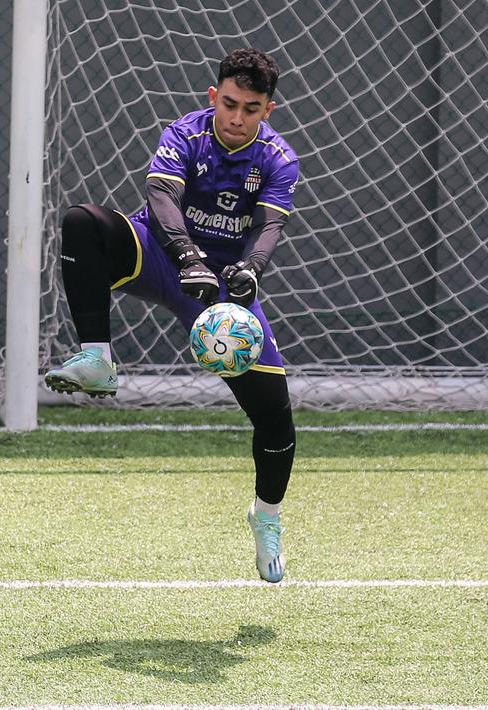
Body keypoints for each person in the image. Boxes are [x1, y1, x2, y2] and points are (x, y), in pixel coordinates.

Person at [43, 49, 298, 583]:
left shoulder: (278, 158)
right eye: (229, 103)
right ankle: (97, 358)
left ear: (267, 110)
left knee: (275, 417)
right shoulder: (185, 133)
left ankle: (266, 518)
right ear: (214, 97)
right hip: (160, 254)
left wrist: (250, 269)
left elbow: (269, 227)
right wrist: (186, 256)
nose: (236, 117)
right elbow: (161, 196)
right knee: (82, 222)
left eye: (250, 108)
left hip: (224, 287)